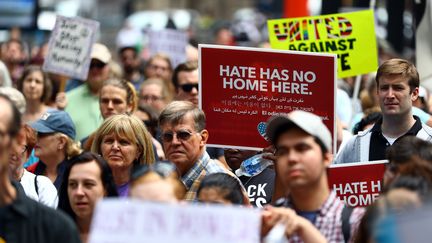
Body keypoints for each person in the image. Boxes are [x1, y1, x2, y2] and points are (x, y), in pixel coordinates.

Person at [262, 110, 364, 242]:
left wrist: (304, 228)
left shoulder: (356, 222)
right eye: (283, 151)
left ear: (327, 157)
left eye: (302, 148)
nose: (291, 158)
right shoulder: (267, 220)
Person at [0, 94, 81, 243]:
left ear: (16, 141)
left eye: (43, 134)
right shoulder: (33, 170)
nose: (37, 139)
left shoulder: (54, 227)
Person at [335, 59, 432, 164]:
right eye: (384, 88)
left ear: (414, 94)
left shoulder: (429, 141)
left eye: (398, 88)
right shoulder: (356, 145)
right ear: (377, 92)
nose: (390, 95)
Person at [158, 101, 234, 201]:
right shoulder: (163, 178)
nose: (174, 142)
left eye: (183, 135)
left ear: (203, 138)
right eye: (167, 136)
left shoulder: (220, 183)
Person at [58, 152, 118, 243]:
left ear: (105, 189)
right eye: (72, 184)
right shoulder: (52, 233)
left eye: (88, 184)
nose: (79, 192)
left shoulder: (123, 235)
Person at [173, 61, 226, 162]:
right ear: (176, 90)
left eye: (198, 86)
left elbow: (225, 167)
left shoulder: (220, 123)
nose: (194, 92)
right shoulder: (166, 123)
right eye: (187, 87)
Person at [91, 114, 155, 197]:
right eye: (109, 141)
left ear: (138, 151)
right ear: (100, 147)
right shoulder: (88, 185)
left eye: (123, 142)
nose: (115, 147)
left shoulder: (148, 190)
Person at [65, 43, 112, 140]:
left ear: (109, 67)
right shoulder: (67, 99)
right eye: (90, 65)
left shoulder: (121, 97)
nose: (95, 69)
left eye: (100, 65)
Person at [27, 110, 82, 190]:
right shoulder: (29, 172)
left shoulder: (79, 174)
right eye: (36, 133)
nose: (35, 139)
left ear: (61, 142)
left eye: (41, 134)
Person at [9, 124, 58, 208]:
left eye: (19, 146)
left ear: (28, 155)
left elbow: (45, 220)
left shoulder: (41, 186)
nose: (12, 151)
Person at [82, 78, 138, 151]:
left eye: (117, 101)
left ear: (129, 106)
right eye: (104, 101)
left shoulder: (141, 140)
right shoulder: (87, 142)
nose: (109, 106)